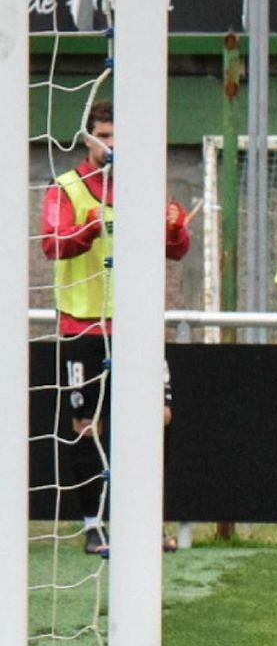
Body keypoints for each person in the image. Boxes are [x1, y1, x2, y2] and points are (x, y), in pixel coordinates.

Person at [40, 99, 191, 555]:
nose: (114, 146)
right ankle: (94, 524)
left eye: (120, 137)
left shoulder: (147, 184)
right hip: (83, 325)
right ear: (89, 140)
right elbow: (51, 244)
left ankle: (145, 521)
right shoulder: (65, 188)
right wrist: (86, 229)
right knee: (87, 425)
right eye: (105, 137)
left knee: (156, 418)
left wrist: (174, 228)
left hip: (137, 325)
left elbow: (177, 249)